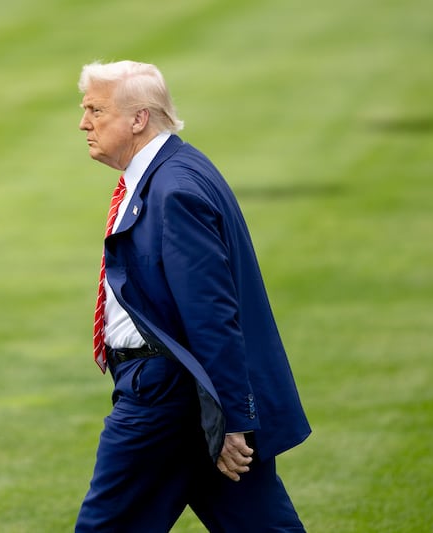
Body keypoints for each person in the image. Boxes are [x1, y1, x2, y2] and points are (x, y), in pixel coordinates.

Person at [74, 60, 311, 532]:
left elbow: (211, 313)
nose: (84, 123)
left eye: (96, 110)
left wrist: (229, 418)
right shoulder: (174, 171)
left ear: (139, 118)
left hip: (167, 395)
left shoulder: (173, 189)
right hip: (189, 391)